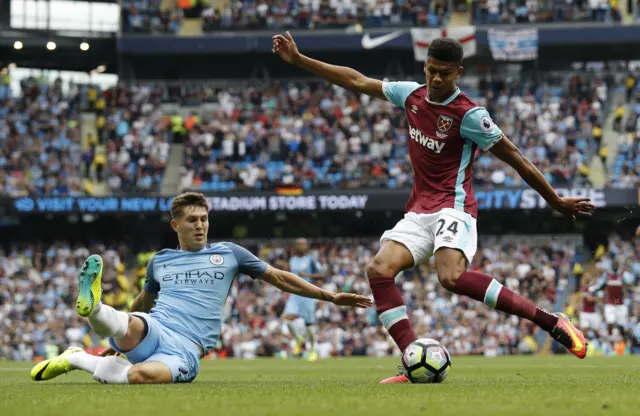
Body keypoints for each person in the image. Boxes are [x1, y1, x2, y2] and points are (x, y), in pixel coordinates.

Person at [272, 32, 596, 383]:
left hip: (454, 207)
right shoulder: (410, 95)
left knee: (450, 277)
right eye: (431, 70)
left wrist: (555, 201)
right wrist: (300, 60)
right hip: (418, 211)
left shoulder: (470, 115)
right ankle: (413, 360)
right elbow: (355, 80)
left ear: (459, 72)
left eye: (444, 72)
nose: (436, 79)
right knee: (379, 270)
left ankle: (551, 321)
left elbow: (515, 157)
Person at [30, 192, 372, 384]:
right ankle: (97, 310)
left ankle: (77, 358)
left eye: (204, 219)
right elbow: (143, 303)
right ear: (175, 224)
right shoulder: (159, 261)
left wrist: (330, 296)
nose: (200, 226)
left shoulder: (230, 254)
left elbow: (279, 277)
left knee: (139, 378)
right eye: (192, 220)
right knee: (129, 321)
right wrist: (118, 339)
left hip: (186, 349)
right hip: (156, 326)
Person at [281, 238, 325, 361]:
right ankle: (298, 339)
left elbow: (322, 275)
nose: (301, 246)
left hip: (307, 294)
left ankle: (312, 350)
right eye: (299, 244)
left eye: (303, 244)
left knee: (309, 325)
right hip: (294, 294)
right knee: (288, 320)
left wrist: (307, 276)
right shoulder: (292, 260)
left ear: (307, 246)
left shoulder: (311, 259)